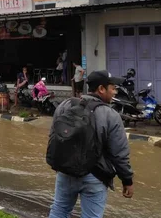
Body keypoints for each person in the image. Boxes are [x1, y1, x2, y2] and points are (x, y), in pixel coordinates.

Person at [47, 70, 134, 218]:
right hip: (96, 177)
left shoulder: (65, 105)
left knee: (59, 210)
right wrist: (127, 180)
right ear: (101, 89)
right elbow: (119, 154)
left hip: (65, 172)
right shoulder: (111, 115)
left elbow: (53, 137)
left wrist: (60, 164)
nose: (115, 92)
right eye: (112, 88)